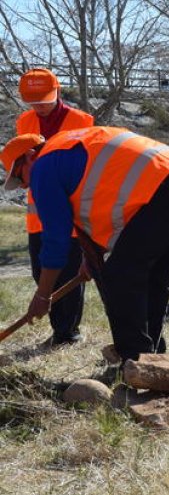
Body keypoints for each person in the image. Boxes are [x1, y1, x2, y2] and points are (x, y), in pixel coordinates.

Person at [2, 127, 169, 361]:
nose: (24, 186)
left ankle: (133, 359)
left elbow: (56, 240)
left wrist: (43, 296)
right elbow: (101, 201)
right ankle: (152, 358)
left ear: (30, 155)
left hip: (168, 189)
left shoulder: (44, 165)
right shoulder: (69, 146)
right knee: (153, 275)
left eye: (20, 176)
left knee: (120, 274)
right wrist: (89, 258)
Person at [12, 68, 94, 347]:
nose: (39, 106)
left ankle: (67, 333)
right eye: (33, 101)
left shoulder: (82, 121)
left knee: (69, 272)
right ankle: (58, 328)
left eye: (44, 99)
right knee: (42, 272)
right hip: (39, 211)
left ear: (58, 91)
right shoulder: (24, 121)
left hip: (71, 209)